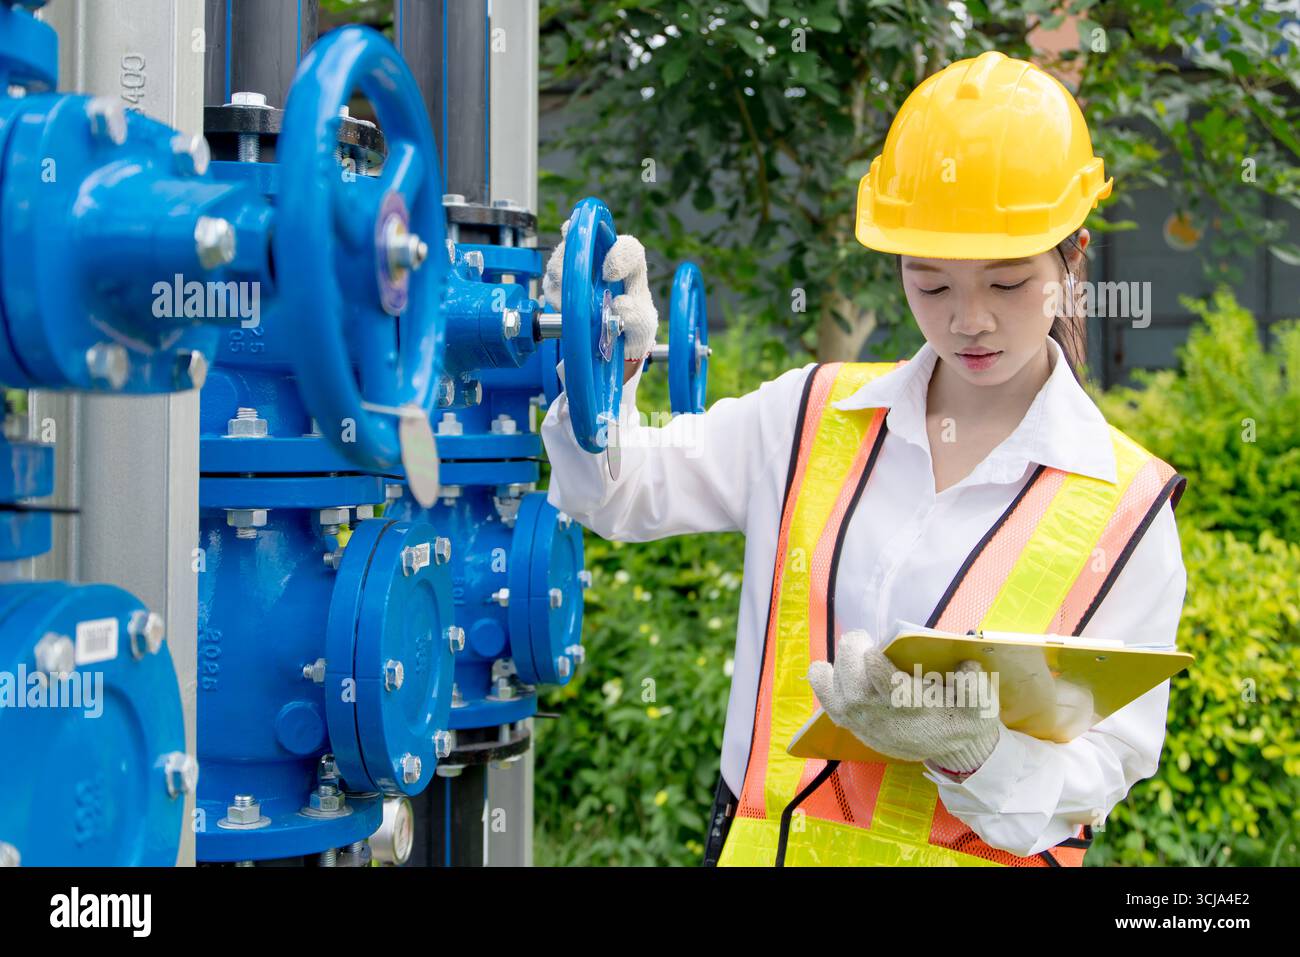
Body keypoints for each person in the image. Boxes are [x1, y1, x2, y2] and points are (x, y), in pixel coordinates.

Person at [539, 50, 1188, 867]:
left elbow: (1105, 767)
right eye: (932, 283)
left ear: (1073, 257)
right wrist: (605, 368)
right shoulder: (811, 413)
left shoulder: (1127, 510)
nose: (970, 321)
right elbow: (618, 492)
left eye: (1009, 283)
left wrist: (976, 751)